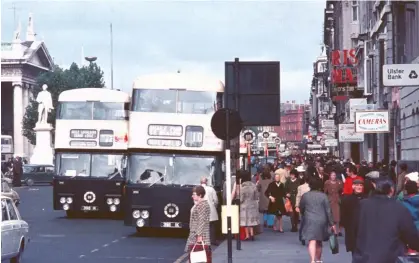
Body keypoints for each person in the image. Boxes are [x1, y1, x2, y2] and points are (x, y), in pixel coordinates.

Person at [353, 178, 419, 263]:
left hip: (363, 255)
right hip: (389, 256)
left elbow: (355, 228)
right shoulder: (399, 208)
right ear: (391, 190)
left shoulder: (362, 205)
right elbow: (410, 233)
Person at [300, 177, 336, 263]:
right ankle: (318, 260)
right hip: (321, 219)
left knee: (312, 240)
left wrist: (303, 215)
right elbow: (328, 210)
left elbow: (302, 207)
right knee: (319, 241)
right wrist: (332, 223)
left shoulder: (305, 196)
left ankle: (312, 260)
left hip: (309, 219)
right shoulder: (323, 196)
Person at [185, 186, 211, 262]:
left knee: (198, 256)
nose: (192, 196)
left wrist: (199, 235)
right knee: (196, 256)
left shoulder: (202, 205)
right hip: (196, 233)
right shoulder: (199, 204)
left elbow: (201, 221)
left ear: (200, 195)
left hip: (199, 234)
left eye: (194, 194)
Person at [340, 178, 366, 255]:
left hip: (365, 229)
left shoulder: (367, 198)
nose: (359, 187)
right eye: (357, 185)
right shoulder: (347, 199)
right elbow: (343, 215)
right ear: (353, 186)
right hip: (352, 229)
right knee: (354, 252)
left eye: (361, 185)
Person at [239, 171, 259, 241]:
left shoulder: (242, 187)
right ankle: (252, 234)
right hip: (252, 205)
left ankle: (247, 235)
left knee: (245, 221)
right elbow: (256, 197)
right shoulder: (254, 186)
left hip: (244, 206)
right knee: (251, 220)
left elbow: (241, 199)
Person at [323, 170, 343, 235]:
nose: (333, 176)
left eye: (334, 175)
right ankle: (330, 229)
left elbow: (341, 191)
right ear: (330, 176)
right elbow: (325, 192)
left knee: (337, 216)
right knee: (330, 215)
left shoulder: (339, 182)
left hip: (337, 200)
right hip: (329, 200)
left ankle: (337, 231)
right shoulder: (327, 182)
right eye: (332, 175)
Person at [200, 177, 219, 245]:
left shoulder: (197, 189)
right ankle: (213, 240)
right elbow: (216, 200)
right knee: (212, 226)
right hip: (211, 209)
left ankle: (203, 241)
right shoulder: (211, 189)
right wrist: (214, 206)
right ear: (207, 182)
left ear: (200, 182)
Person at [295, 174, 310, 245]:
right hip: (310, 206)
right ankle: (307, 236)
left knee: (303, 222)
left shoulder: (300, 187)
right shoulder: (311, 188)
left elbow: (298, 197)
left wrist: (297, 205)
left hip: (303, 206)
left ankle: (302, 236)